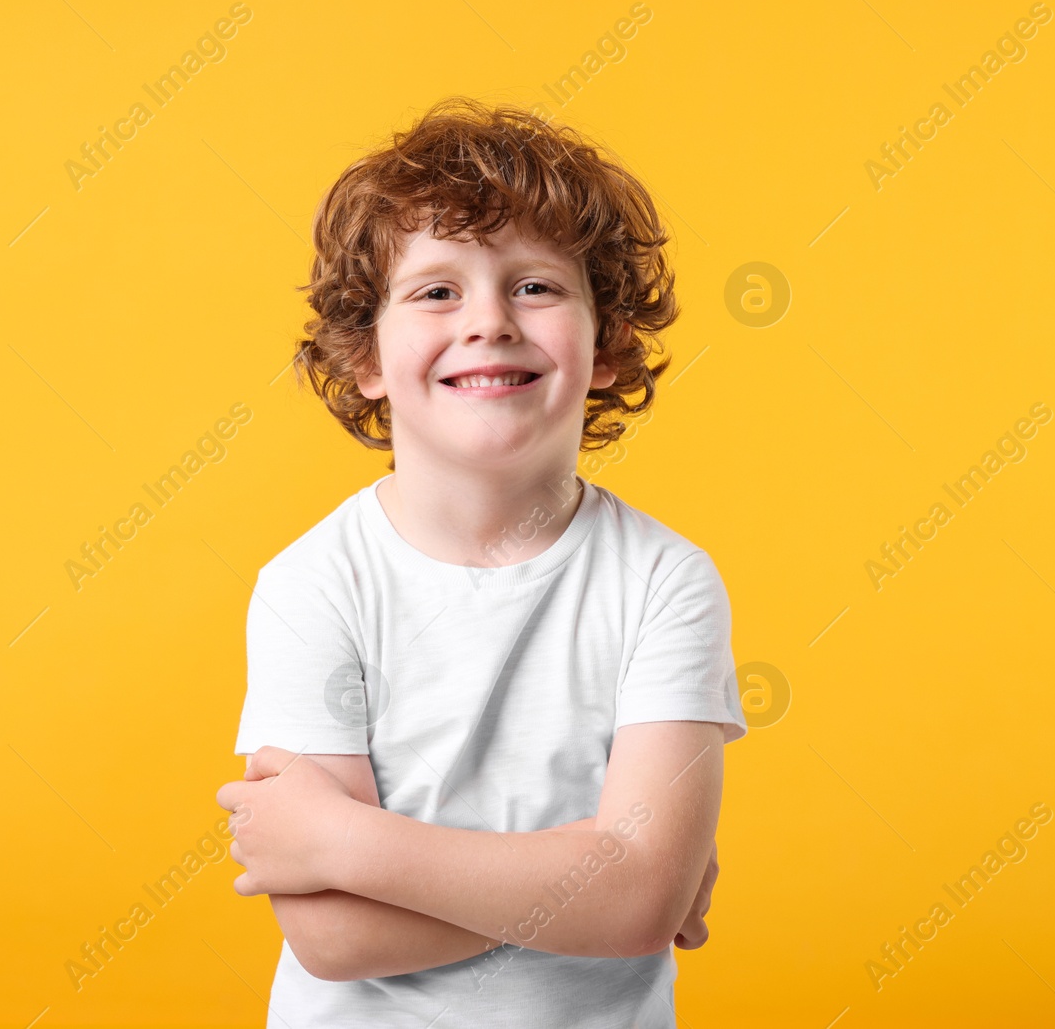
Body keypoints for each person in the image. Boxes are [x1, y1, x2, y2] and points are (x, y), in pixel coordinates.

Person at [215, 96, 746, 1028]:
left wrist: (341, 840)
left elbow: (640, 902)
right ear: (363, 353)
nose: (490, 320)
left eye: (536, 286)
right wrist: (601, 871)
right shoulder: (311, 586)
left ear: (610, 342)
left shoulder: (667, 580)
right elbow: (334, 938)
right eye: (436, 290)